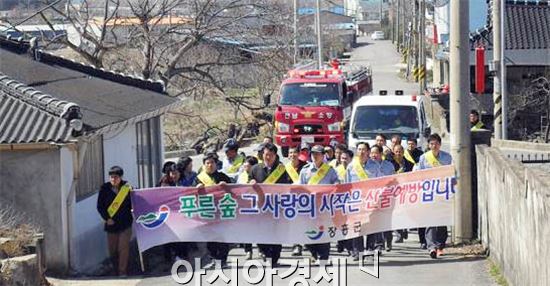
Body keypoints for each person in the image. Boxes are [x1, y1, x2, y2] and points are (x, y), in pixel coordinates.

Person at [248, 143, 292, 267]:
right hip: (260, 206)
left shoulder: (281, 169)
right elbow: (247, 185)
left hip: (276, 206)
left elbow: (288, 185)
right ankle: (264, 252)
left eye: (271, 155)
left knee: (276, 232)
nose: (268, 157)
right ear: (263, 154)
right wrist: (250, 182)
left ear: (275, 156)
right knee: (261, 231)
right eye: (266, 154)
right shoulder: (255, 168)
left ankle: (274, 257)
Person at [298, 145, 340, 266]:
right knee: (310, 231)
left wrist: (335, 186)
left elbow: (336, 182)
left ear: (323, 156)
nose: (315, 156)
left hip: (324, 207)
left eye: (317, 154)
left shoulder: (330, 170)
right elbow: (301, 187)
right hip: (309, 207)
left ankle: (324, 256)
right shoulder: (305, 170)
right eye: (313, 154)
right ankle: (313, 253)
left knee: (323, 231)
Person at [414, 133, 453, 259]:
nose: (434, 146)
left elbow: (451, 173)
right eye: (431, 144)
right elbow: (419, 175)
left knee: (441, 221)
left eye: (436, 143)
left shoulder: (447, 157)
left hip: (442, 194)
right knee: (430, 220)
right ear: (428, 145)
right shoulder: (424, 158)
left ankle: (440, 246)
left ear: (440, 144)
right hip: (429, 193)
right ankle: (431, 247)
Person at [196, 153, 233, 269]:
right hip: (207, 211)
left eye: (212, 163)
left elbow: (233, 191)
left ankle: (223, 260)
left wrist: (226, 186)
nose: (210, 165)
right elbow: (190, 194)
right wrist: (197, 189)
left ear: (216, 164)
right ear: (204, 165)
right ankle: (213, 259)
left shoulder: (223, 177)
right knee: (210, 237)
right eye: (207, 163)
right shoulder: (198, 178)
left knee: (222, 236)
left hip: (221, 211)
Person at [96, 166, 133, 277]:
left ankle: (123, 271)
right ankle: (116, 271)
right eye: (111, 177)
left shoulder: (127, 188)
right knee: (113, 250)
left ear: (120, 177)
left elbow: (134, 202)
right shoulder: (104, 189)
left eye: (115, 177)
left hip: (125, 223)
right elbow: (100, 206)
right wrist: (107, 218)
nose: (113, 179)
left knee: (123, 247)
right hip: (111, 225)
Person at [345, 142, 370, 260]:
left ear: (368, 152)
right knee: (356, 227)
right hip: (355, 201)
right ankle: (357, 251)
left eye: (364, 149)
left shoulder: (374, 166)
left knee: (371, 228)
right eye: (359, 149)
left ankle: (370, 249)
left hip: (370, 201)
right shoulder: (351, 166)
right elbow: (346, 185)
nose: (361, 152)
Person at [369, 145, 396, 253]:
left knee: (386, 221)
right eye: (371, 153)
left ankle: (388, 240)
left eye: (375, 153)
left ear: (381, 154)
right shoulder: (368, 165)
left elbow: (394, 180)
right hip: (373, 197)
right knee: (376, 221)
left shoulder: (389, 165)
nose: (373, 155)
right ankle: (379, 244)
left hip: (387, 196)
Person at [389, 144, 414, 243]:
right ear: (393, 153)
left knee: (405, 213)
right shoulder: (389, 164)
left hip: (406, 192)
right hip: (393, 192)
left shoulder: (409, 165)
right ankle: (399, 233)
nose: (398, 154)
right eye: (396, 152)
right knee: (395, 214)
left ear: (403, 153)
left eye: (400, 151)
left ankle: (404, 229)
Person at [237, 156, 259, 260]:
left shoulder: (258, 174)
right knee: (246, 229)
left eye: (248, 163)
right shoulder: (241, 176)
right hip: (244, 205)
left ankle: (261, 249)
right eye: (245, 163)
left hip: (257, 205)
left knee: (258, 228)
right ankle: (248, 250)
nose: (245, 165)